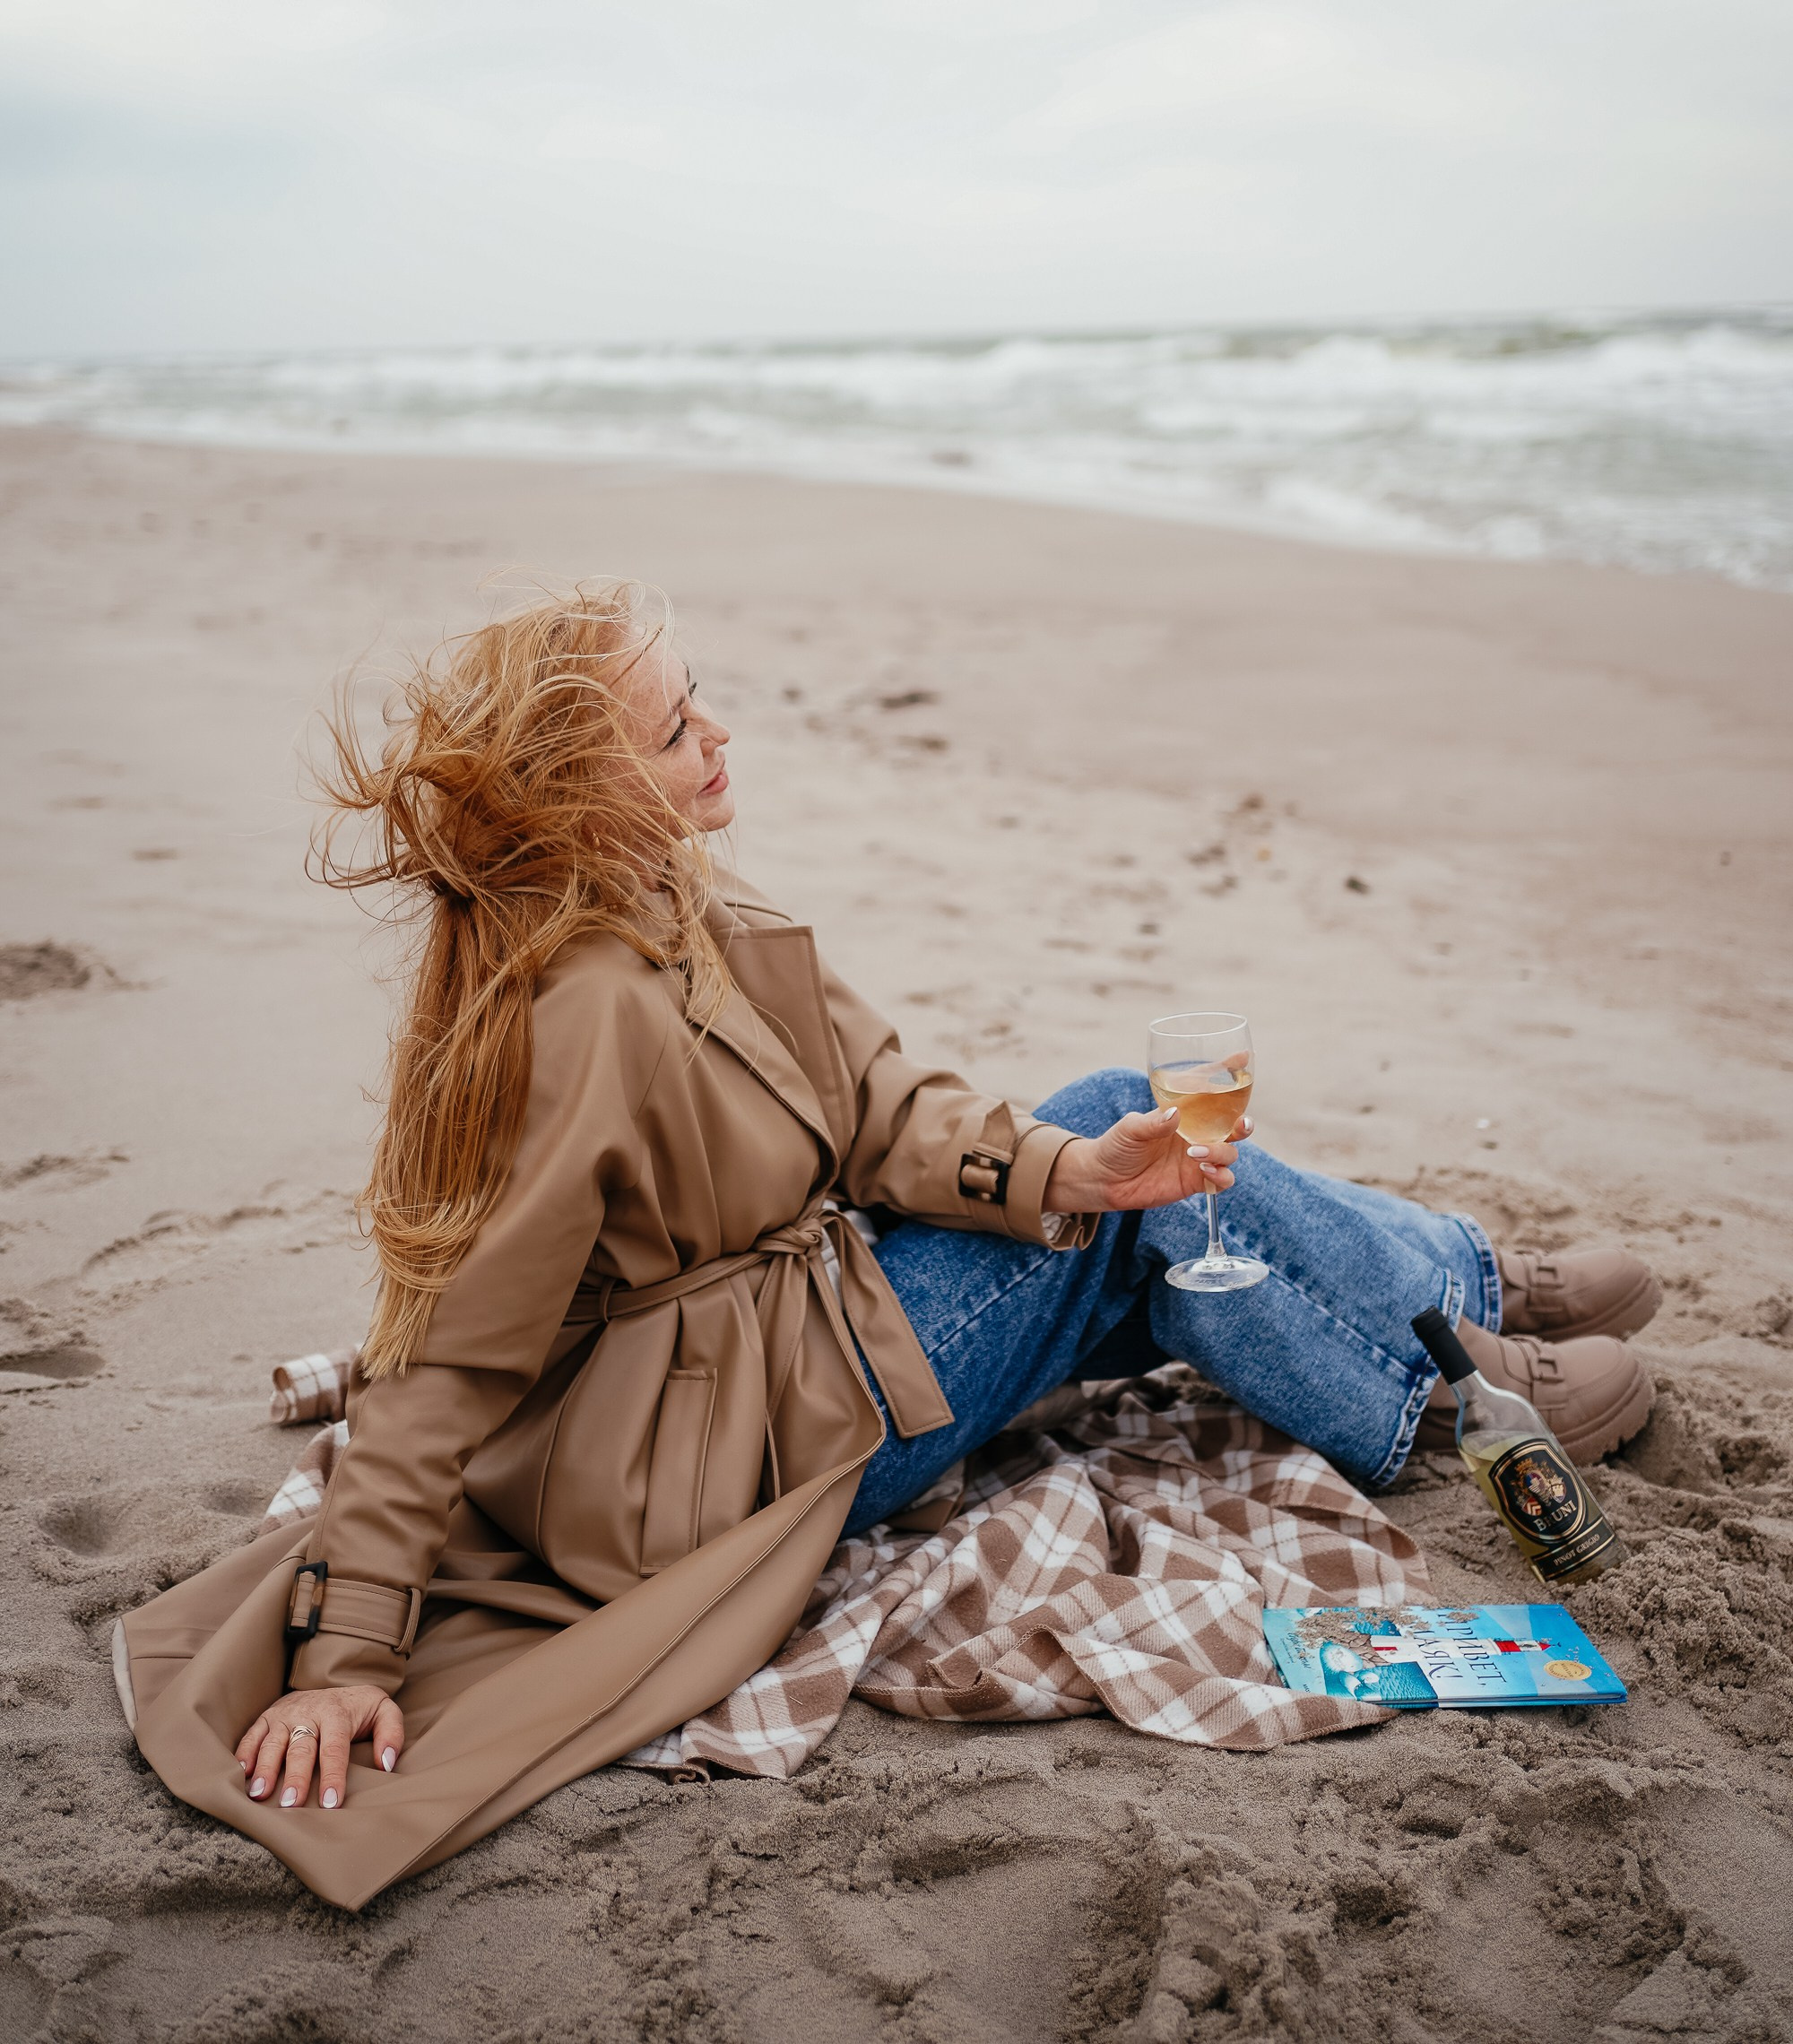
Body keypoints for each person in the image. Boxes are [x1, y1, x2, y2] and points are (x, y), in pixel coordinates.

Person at [115, 585, 1659, 1911]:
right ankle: (1446, 1385)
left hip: (800, 1340)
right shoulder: (577, 1013)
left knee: (1112, 1150)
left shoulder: (684, 904)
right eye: (674, 730)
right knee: (1136, 1175)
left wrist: (1062, 1166)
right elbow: (447, 1357)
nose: (719, 738)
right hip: (733, 1447)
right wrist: (349, 1656)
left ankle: (1466, 1294)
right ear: (584, 796)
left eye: (699, 702)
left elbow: (882, 1105)